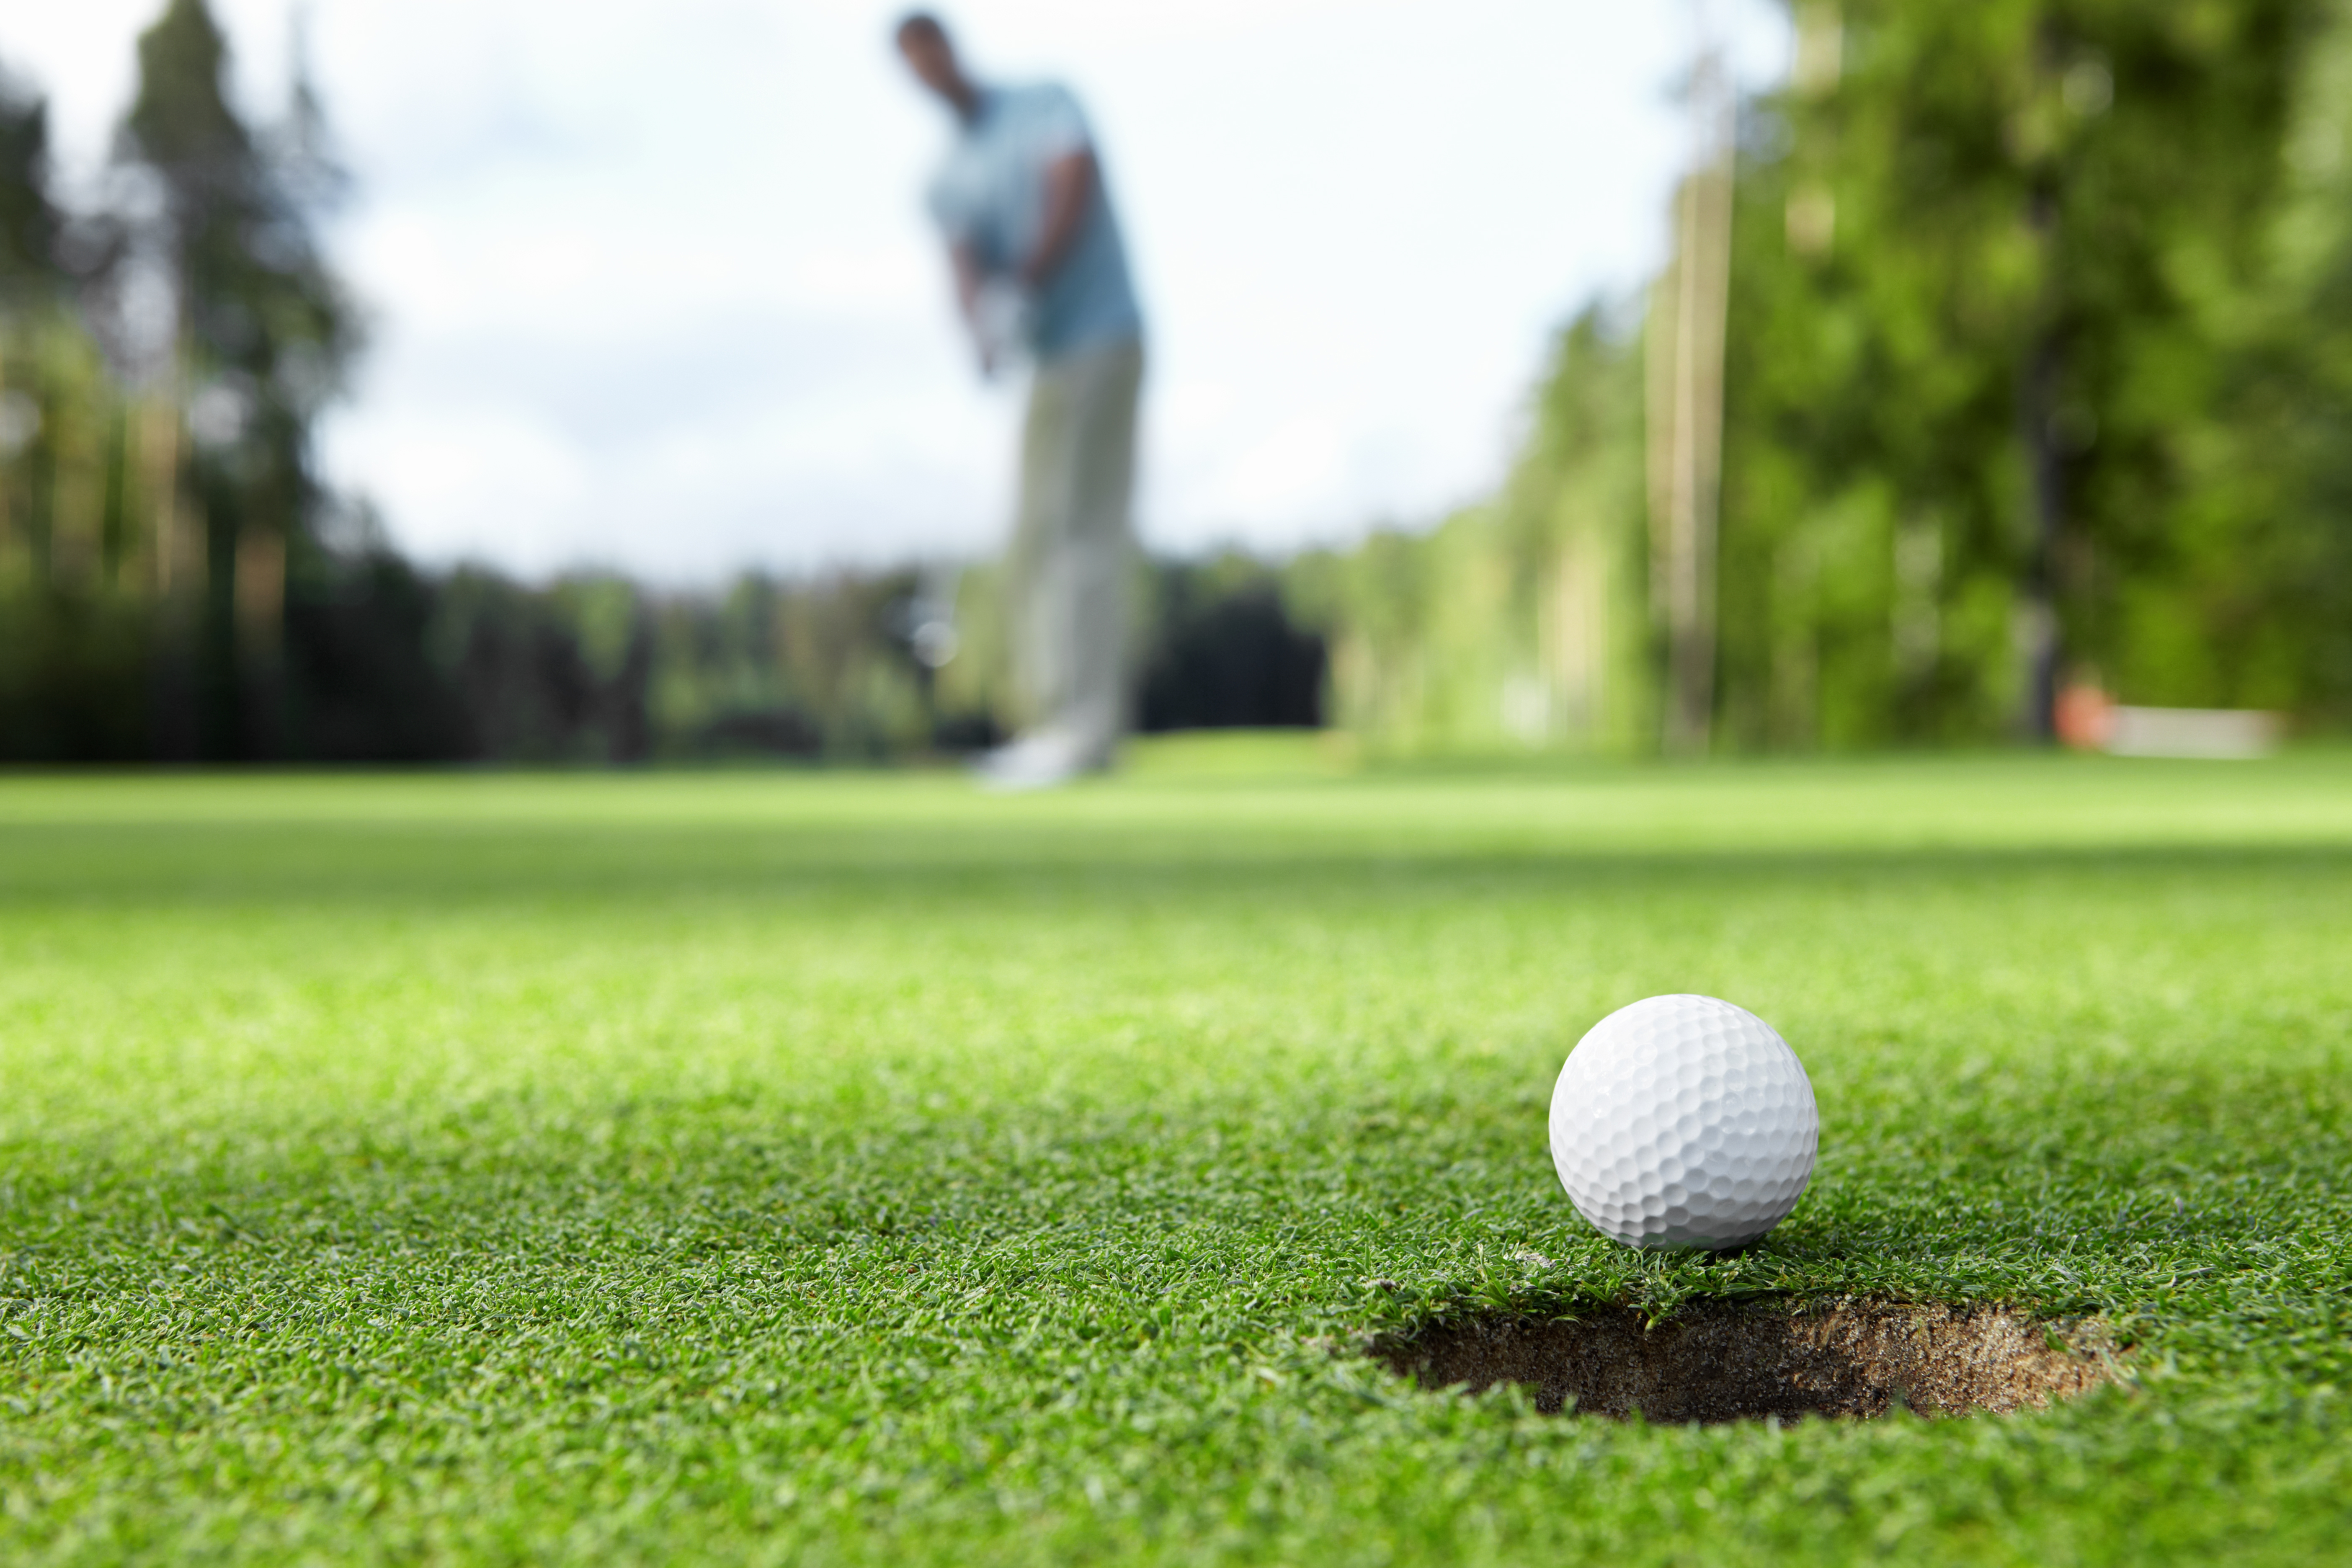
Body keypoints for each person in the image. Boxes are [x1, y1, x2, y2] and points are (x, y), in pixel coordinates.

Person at [895, 12, 1145, 789]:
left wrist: (1023, 284)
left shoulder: (1042, 102)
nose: (926, 75)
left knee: (1080, 528)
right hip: (1042, 359)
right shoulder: (943, 178)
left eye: (929, 55)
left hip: (1103, 335)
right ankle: (1048, 725)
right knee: (1032, 536)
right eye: (911, 68)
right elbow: (963, 266)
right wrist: (981, 330)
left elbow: (1073, 181)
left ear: (950, 49)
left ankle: (1084, 730)